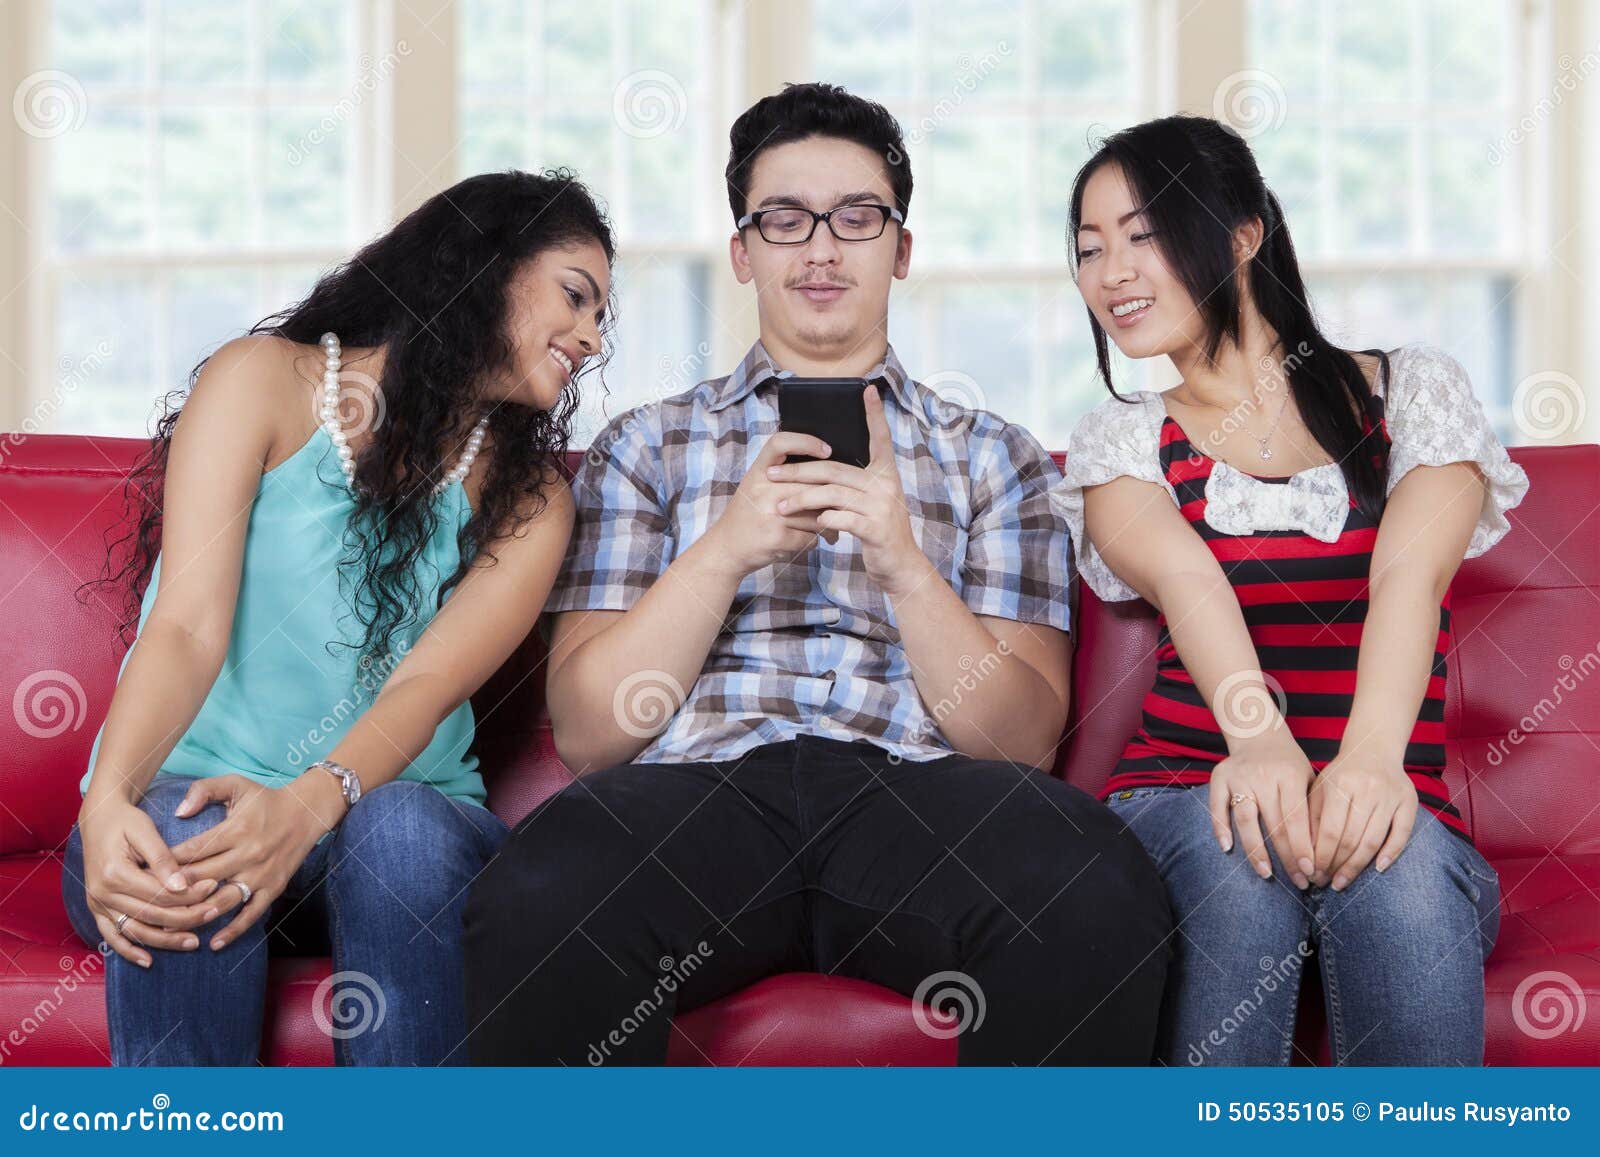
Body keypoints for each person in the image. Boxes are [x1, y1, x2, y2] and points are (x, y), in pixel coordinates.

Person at [462, 83, 1173, 1067]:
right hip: (695, 794)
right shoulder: (646, 445)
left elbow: (1015, 744)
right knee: (535, 896)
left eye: (857, 218)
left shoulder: (993, 456)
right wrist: (728, 548)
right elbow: (591, 733)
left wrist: (901, 562)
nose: (823, 249)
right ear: (744, 253)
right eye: (785, 221)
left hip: (921, 797)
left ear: (901, 250)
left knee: (1094, 889)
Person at [62, 169, 614, 1066]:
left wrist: (310, 804)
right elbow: (188, 627)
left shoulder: (533, 500)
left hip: (387, 833)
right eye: (575, 296)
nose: (591, 337)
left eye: (601, 316)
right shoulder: (260, 381)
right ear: (484, 266)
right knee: (184, 834)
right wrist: (106, 801)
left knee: (395, 826)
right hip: (190, 815)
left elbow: (428, 684)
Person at [1057, 114, 1528, 1065]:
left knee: (1392, 879)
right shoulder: (1123, 438)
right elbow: (1190, 582)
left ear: (1242, 236)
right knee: (1240, 854)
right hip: (1184, 789)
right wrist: (1261, 740)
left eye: (1143, 234)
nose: (1111, 273)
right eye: (1088, 248)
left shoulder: (1412, 394)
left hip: (1388, 785)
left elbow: (1410, 574)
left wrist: (1364, 767)